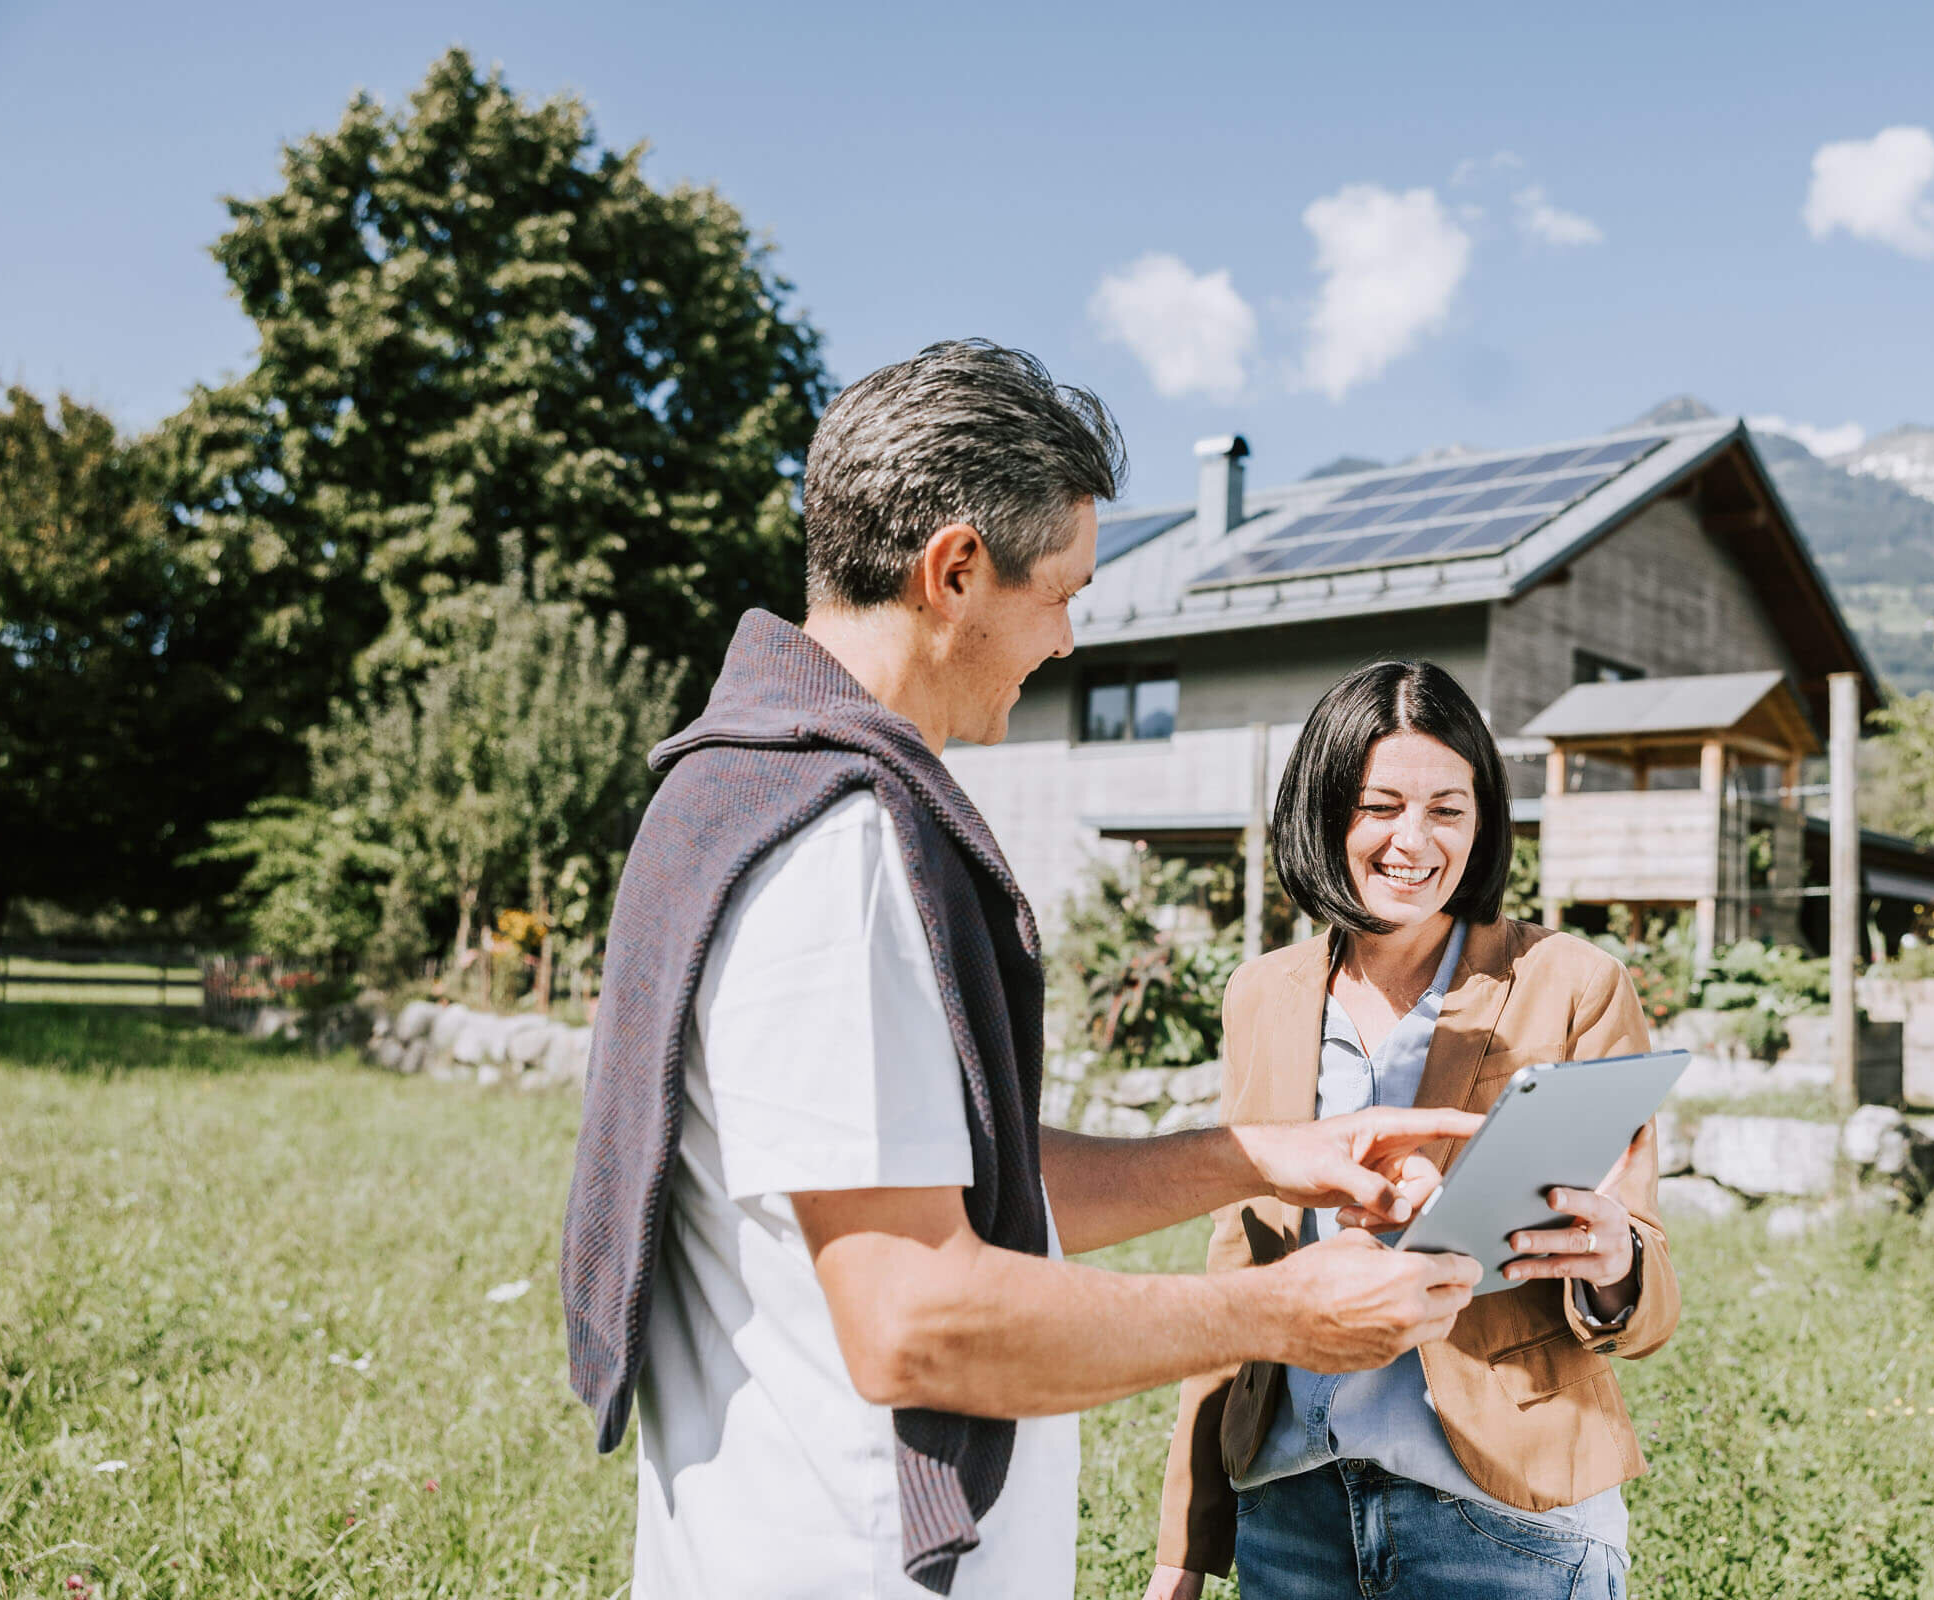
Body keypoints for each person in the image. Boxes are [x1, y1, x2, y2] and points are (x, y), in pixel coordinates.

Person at [557, 341, 1485, 1600]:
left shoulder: (744, 786)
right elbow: (918, 1316)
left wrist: (1261, 1157)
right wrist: (1285, 1314)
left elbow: (944, 1171)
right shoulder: (839, 846)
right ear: (954, 570)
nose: (1064, 639)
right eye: (1061, 592)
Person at [1148, 660, 1680, 1600]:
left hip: (1502, 1522)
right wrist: (1184, 1553)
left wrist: (1615, 1264)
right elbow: (1241, 1259)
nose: (1414, 841)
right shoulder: (1261, 995)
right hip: (1291, 1511)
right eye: (1379, 805)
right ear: (1324, 813)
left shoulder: (1574, 983)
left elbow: (1646, 1272)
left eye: (1447, 809)